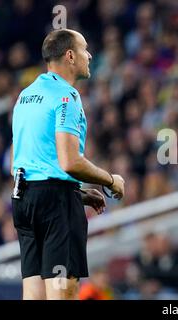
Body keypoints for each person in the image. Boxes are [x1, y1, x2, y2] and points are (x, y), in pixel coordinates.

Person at [11, 29, 125, 300]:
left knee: (34, 292)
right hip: (55, 204)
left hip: (24, 199)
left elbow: (28, 159)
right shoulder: (67, 96)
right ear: (70, 55)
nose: (90, 55)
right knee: (62, 292)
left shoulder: (25, 96)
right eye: (85, 49)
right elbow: (69, 161)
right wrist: (110, 180)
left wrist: (78, 193)